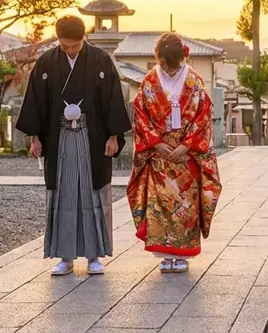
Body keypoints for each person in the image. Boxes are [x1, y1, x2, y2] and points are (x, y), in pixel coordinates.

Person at [15, 15, 132, 276]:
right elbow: (36, 101)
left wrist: (114, 136)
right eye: (65, 46)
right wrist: (35, 138)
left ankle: (94, 256)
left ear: (84, 38)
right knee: (64, 196)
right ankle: (65, 257)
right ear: (58, 39)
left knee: (93, 195)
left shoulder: (101, 60)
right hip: (60, 138)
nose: (69, 50)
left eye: (75, 46)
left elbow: (114, 100)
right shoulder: (46, 62)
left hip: (93, 136)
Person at [126, 32, 222, 274]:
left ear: (182, 58)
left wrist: (187, 146)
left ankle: (182, 254)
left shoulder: (194, 81)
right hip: (159, 156)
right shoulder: (149, 81)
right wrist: (156, 144)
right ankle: (164, 253)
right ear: (157, 58)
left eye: (173, 64)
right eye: (163, 64)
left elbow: (203, 116)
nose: (168, 69)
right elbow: (140, 116)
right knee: (159, 204)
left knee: (185, 206)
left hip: (185, 155)